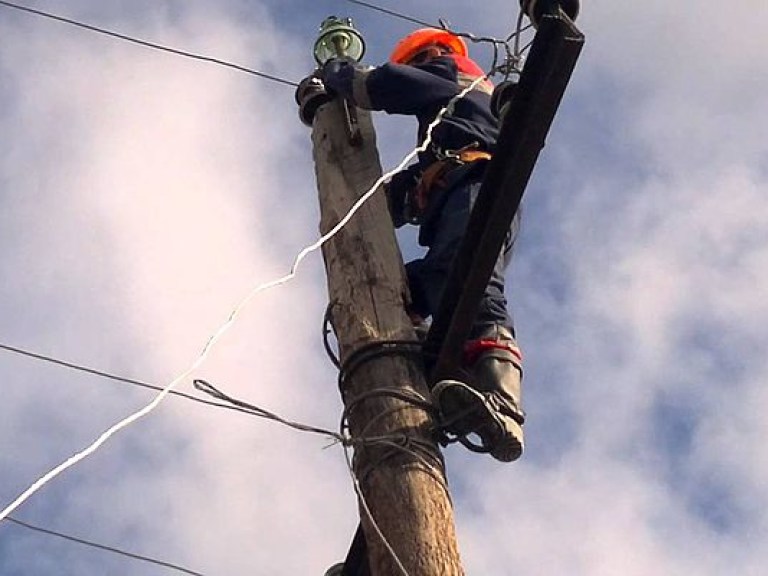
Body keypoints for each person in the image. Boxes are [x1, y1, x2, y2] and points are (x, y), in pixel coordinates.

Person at [320, 28, 525, 463]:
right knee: (414, 286)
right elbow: (412, 188)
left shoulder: (455, 76)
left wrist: (336, 73)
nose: (419, 68)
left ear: (432, 54)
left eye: (418, 62)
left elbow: (384, 86)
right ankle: (450, 380)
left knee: (469, 275)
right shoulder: (452, 126)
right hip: (460, 192)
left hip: (474, 188)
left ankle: (501, 398)